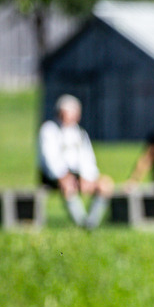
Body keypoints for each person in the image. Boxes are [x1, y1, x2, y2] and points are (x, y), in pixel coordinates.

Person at [37, 94, 114, 229]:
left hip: (78, 174)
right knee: (69, 186)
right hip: (54, 176)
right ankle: (81, 224)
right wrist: (62, 175)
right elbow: (49, 158)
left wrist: (87, 177)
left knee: (105, 184)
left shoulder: (80, 133)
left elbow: (88, 158)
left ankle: (91, 223)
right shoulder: (49, 130)